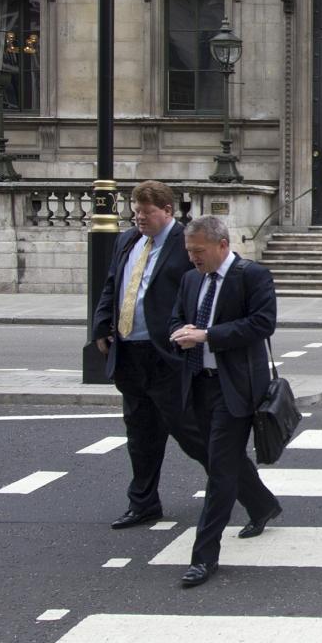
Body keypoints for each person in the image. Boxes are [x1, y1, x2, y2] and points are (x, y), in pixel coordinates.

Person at [168, 216, 283, 588]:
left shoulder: (252, 276)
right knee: (226, 459)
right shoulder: (190, 279)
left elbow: (262, 323)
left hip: (235, 387)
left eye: (198, 251)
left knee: (219, 471)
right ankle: (263, 505)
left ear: (221, 245)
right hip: (197, 384)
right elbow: (177, 316)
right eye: (189, 251)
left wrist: (207, 336)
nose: (192, 258)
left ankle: (203, 556)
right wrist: (180, 331)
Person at [90, 180, 208, 529]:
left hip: (167, 356)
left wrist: (193, 334)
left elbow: (202, 290)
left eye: (147, 211)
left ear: (167, 211)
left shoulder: (184, 242)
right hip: (130, 353)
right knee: (140, 434)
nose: (139, 217)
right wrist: (101, 326)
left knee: (190, 433)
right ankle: (143, 503)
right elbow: (113, 283)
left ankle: (239, 487)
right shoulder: (127, 240)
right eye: (136, 210)